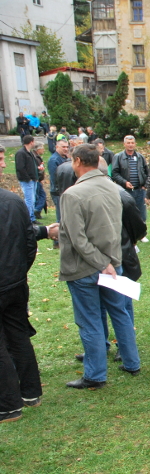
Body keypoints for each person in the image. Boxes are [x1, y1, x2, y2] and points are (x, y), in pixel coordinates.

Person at [59, 144, 142, 389]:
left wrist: (102, 263)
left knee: (91, 321)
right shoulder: (113, 188)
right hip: (112, 265)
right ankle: (131, 362)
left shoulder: (73, 194)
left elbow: (78, 238)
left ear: (76, 161)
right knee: (119, 313)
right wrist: (108, 263)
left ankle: (95, 375)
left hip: (90, 267)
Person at [0, 144, 53, 421]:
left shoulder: (13, 202)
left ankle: (10, 404)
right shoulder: (14, 201)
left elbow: (27, 241)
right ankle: (30, 392)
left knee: (13, 338)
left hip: (12, 280)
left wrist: (19, 270)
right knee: (18, 336)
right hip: (15, 282)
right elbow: (29, 241)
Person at [111, 135, 150, 241]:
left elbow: (147, 172)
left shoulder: (140, 157)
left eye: (132, 143)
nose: (130, 145)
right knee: (127, 212)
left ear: (135, 144)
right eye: (128, 143)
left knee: (141, 212)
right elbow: (114, 173)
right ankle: (127, 233)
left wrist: (145, 184)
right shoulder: (118, 157)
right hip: (126, 191)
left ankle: (142, 234)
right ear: (124, 144)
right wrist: (124, 183)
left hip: (139, 190)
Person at [48, 139, 70, 244]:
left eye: (67, 147)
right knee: (60, 217)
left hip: (65, 191)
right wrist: (60, 191)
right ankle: (57, 241)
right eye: (63, 147)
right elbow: (54, 178)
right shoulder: (54, 160)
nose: (66, 149)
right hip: (58, 192)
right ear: (57, 147)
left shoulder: (65, 158)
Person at [15, 135, 39, 223]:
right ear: (31, 142)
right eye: (34, 141)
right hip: (27, 180)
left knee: (32, 200)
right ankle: (28, 218)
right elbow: (20, 168)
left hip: (33, 179)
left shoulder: (30, 152)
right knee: (29, 200)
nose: (34, 143)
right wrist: (28, 178)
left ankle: (32, 217)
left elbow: (32, 165)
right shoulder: (21, 153)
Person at [32, 141, 48, 220]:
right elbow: (38, 170)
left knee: (39, 196)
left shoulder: (35, 156)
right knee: (41, 196)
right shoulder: (36, 158)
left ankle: (36, 211)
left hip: (37, 180)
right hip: (37, 180)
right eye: (42, 148)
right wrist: (39, 179)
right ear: (38, 149)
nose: (44, 150)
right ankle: (36, 210)